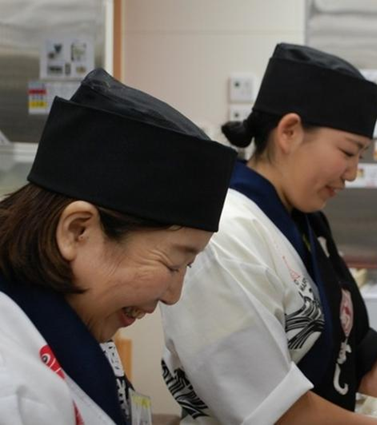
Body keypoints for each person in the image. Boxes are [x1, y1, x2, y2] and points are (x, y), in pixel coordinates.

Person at [161, 43, 377, 425]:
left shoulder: (306, 223)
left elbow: (358, 362)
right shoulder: (227, 235)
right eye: (348, 152)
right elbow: (271, 409)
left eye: (360, 156)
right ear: (289, 132)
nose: (353, 172)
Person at [0, 69, 237, 425]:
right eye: (173, 264)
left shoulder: (71, 326)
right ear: (77, 231)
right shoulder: (12, 392)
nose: (173, 296)